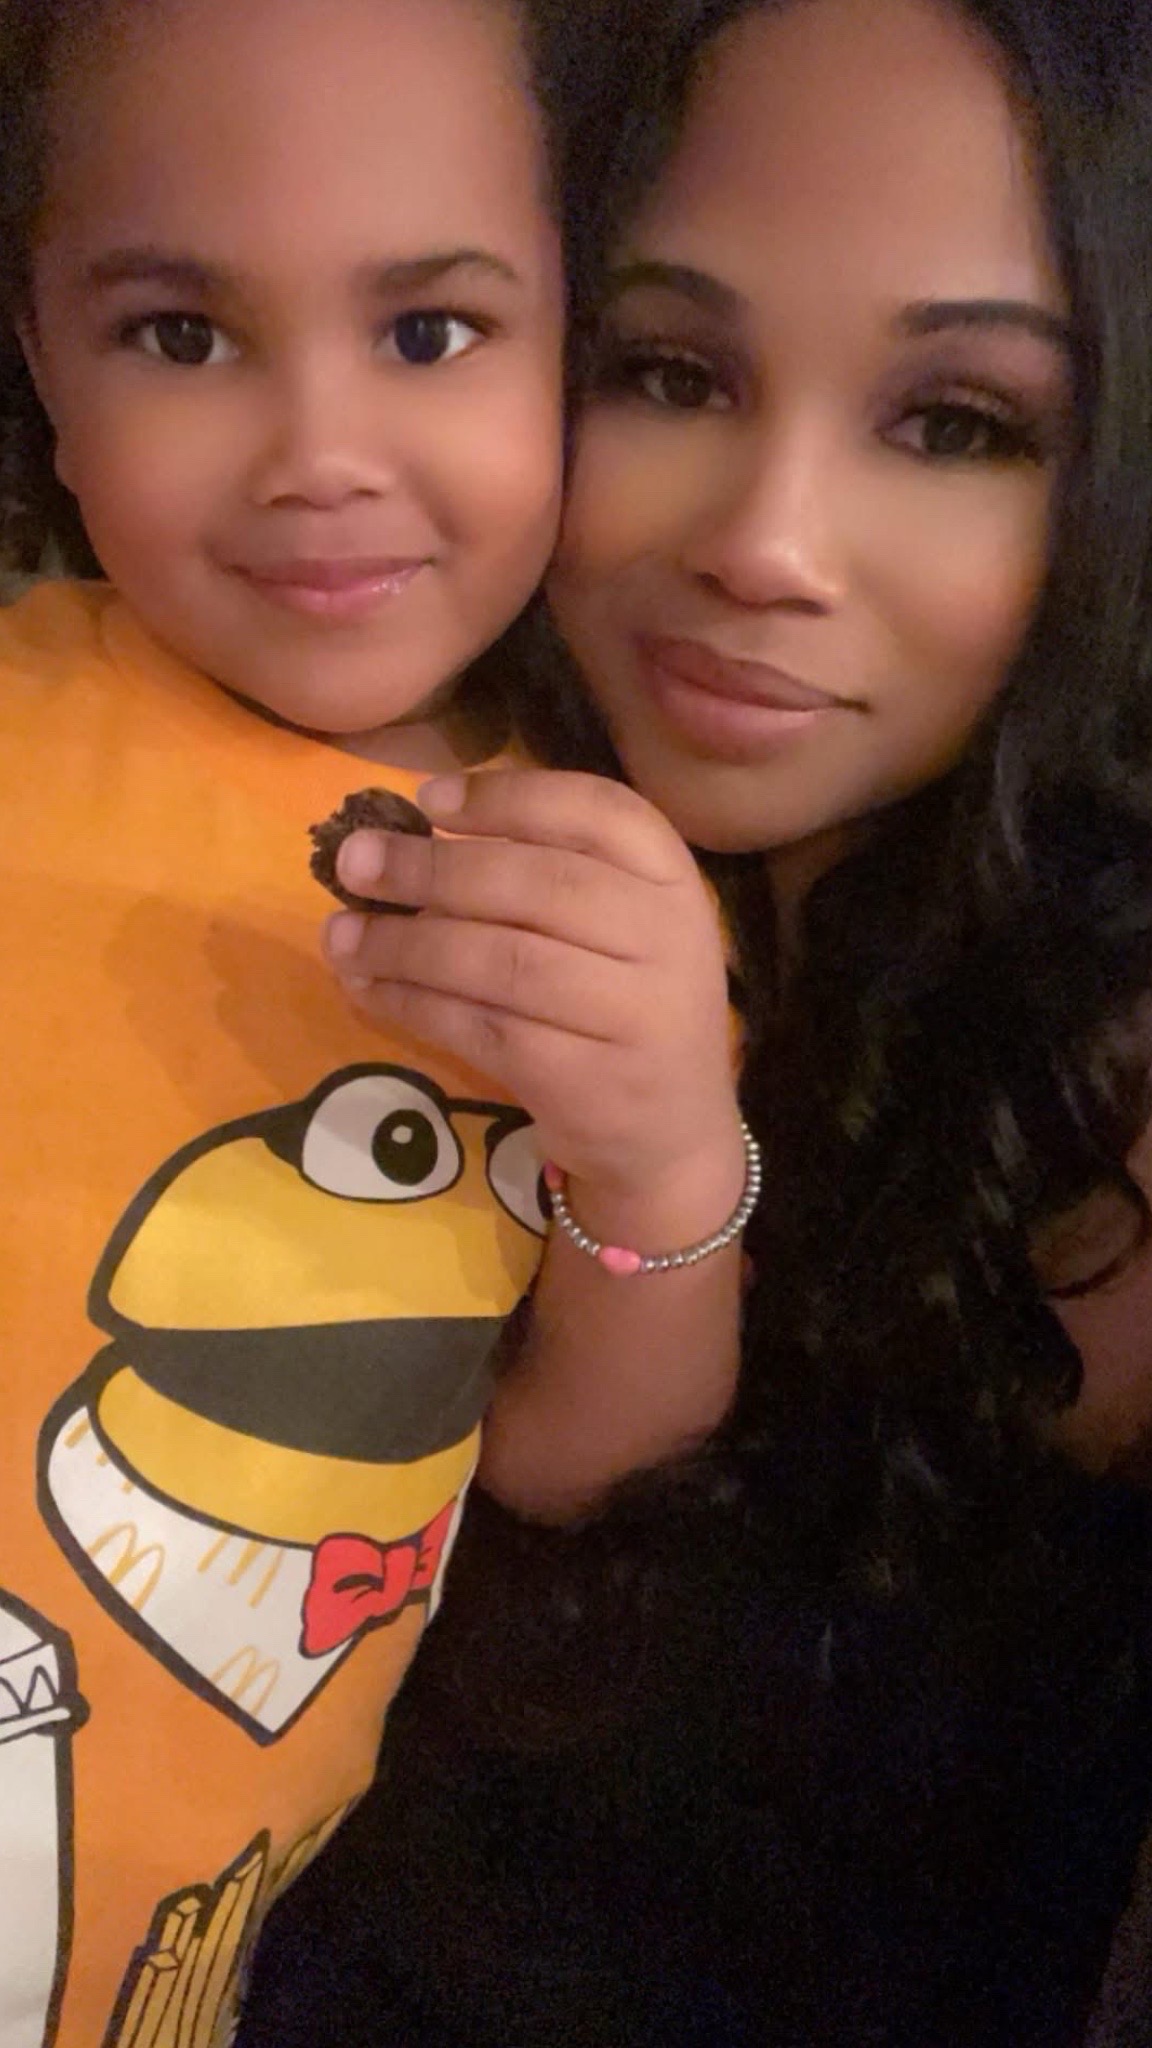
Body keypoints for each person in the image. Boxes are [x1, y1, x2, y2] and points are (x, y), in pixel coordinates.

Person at [242, 0, 1152, 2042]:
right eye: (671, 372)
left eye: (958, 423)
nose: (763, 544)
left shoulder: (1100, 1109)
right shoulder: (341, 809)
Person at [0, 0, 575, 2040]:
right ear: (42, 365)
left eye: (429, 331)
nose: (319, 453)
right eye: (180, 335)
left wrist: (671, 1146)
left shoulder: (594, 876)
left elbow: (574, 1447)